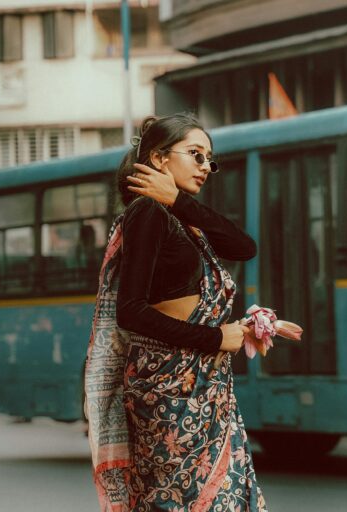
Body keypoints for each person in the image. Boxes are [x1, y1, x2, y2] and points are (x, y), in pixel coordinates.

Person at [84, 113, 267, 511]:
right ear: (159, 159)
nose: (205, 167)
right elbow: (130, 312)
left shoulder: (179, 216)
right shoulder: (146, 214)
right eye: (196, 155)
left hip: (202, 387)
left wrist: (180, 201)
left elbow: (245, 247)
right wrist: (216, 337)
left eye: (209, 160)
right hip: (169, 394)